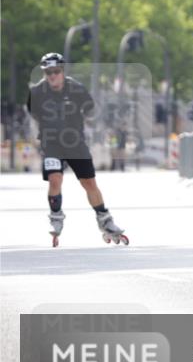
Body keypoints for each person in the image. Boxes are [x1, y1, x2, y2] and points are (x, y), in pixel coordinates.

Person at [26, 53, 127, 246]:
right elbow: (35, 115)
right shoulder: (37, 93)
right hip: (51, 143)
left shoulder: (77, 89)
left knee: (89, 183)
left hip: (75, 143)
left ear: (62, 71)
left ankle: (104, 219)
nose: (52, 75)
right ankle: (56, 216)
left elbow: (91, 111)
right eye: (48, 72)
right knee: (56, 178)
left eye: (55, 71)